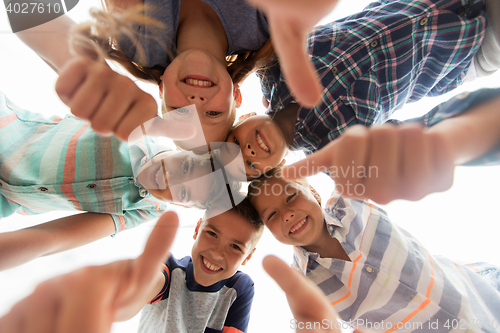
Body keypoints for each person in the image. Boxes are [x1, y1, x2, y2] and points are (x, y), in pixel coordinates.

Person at [224, 0, 499, 178]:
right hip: (466, 47)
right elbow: (414, 140)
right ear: (272, 169)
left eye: (235, 143)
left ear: (243, 118)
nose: (247, 151)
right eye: (249, 166)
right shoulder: (334, 152)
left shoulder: (272, 66)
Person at [0, 92, 231, 271]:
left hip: (6, 199)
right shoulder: (140, 130)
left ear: (182, 206)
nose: (170, 180)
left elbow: (53, 238)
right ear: (184, 149)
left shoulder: (145, 210)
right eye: (186, 166)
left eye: (183, 193)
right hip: (8, 132)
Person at [248, 170, 500, 333]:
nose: (287, 213)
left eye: (291, 196)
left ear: (313, 193)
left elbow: (346, 152)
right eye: (271, 215)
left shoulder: (348, 203)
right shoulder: (302, 284)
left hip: (481, 297)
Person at [0, 198, 265, 333]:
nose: (218, 252)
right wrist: (116, 296)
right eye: (212, 234)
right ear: (197, 229)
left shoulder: (240, 287)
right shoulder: (169, 268)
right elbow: (145, 286)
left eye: (235, 247)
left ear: (248, 256)